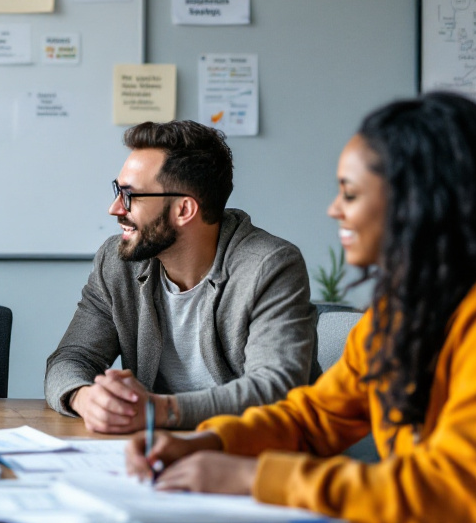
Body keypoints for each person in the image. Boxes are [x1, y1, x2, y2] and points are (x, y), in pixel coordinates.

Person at [129, 93, 476, 523]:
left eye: (351, 194)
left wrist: (252, 478)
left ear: (419, 201)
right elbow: (315, 417)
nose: (334, 209)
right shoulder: (403, 313)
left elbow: (451, 494)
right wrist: (213, 442)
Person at [45, 120, 315, 433]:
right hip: (155, 454)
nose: (114, 208)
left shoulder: (269, 266)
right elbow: (70, 358)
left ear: (184, 210)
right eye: (118, 190)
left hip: (249, 454)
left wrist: (158, 410)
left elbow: (274, 389)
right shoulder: (117, 262)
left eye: (130, 195)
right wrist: (84, 397)